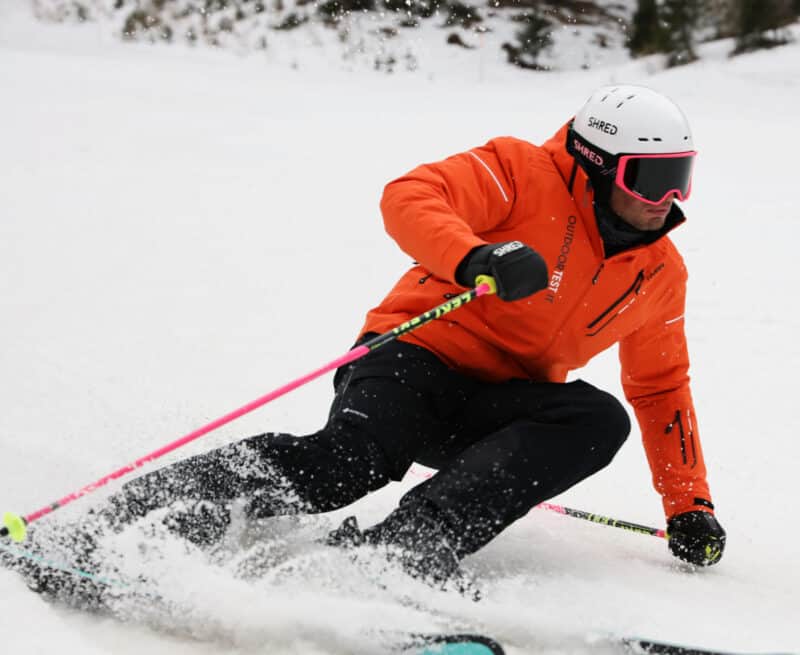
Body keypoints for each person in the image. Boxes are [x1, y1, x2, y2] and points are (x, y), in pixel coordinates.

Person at [5, 84, 726, 609]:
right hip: (413, 359)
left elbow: (662, 387)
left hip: (496, 407)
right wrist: (475, 256)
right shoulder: (519, 171)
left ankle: (408, 547)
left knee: (597, 418)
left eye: (679, 175)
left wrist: (688, 504)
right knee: (346, 464)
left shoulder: (660, 274)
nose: (665, 196)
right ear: (596, 163)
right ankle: (122, 514)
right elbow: (411, 195)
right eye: (648, 176)